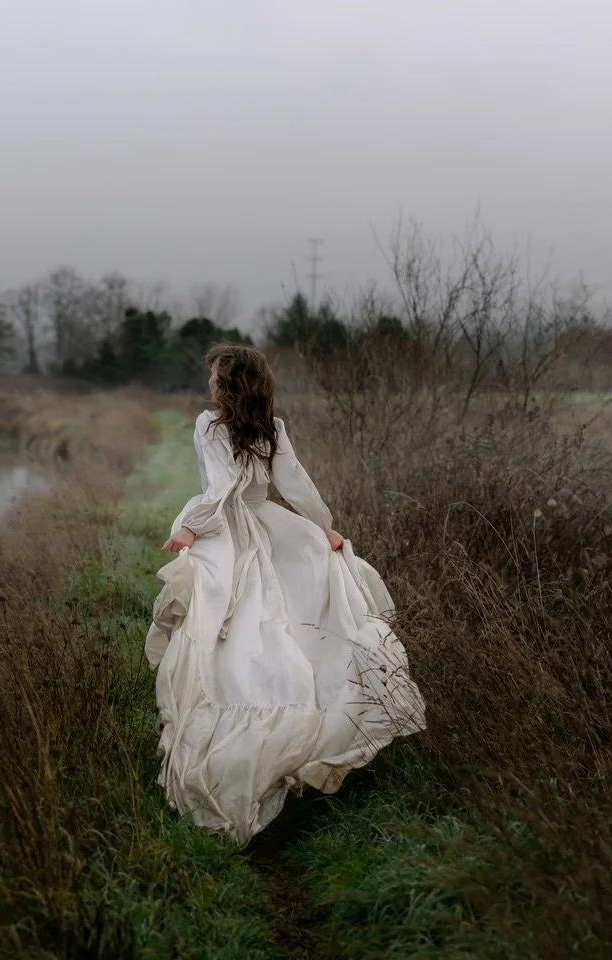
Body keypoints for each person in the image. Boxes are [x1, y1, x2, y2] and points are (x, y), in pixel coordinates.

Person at [145, 343, 426, 846]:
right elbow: (295, 486)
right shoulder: (271, 426)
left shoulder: (209, 425)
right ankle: (296, 738)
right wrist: (321, 525)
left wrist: (191, 526)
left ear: (228, 384)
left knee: (236, 629)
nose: (209, 385)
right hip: (266, 524)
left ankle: (250, 745)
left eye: (215, 377)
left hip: (231, 530)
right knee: (270, 624)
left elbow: (224, 486)